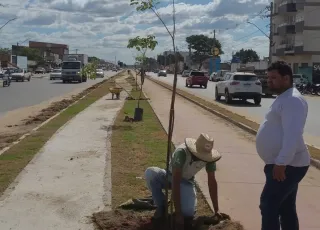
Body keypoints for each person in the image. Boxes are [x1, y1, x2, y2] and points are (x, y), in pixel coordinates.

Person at [256, 61, 310, 230]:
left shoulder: (293, 100)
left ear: (286, 78)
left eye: (273, 78)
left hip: (288, 165)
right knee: (285, 208)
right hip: (283, 164)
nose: (268, 81)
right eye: (268, 77)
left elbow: (292, 135)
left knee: (268, 204)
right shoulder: (284, 97)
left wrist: (281, 163)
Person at [144, 133, 221, 228]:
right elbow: (176, 182)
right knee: (150, 173)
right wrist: (178, 213)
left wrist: (216, 210)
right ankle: (161, 205)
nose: (202, 158)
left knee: (188, 213)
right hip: (169, 176)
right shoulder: (182, 153)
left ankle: (181, 208)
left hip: (186, 181)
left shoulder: (210, 158)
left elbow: (212, 182)